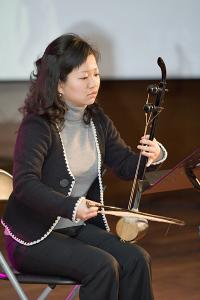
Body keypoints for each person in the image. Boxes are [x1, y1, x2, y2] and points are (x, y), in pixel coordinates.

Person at [1, 33, 167, 300]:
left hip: (73, 230)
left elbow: (125, 165)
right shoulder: (37, 126)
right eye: (83, 77)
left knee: (136, 259)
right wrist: (70, 206)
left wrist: (152, 156)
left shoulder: (96, 119)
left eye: (96, 74)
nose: (93, 84)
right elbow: (25, 185)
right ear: (59, 85)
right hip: (32, 238)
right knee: (102, 266)